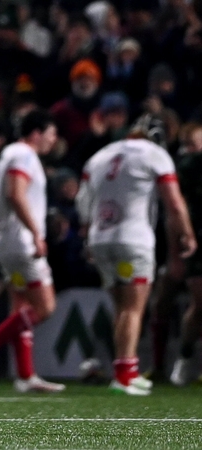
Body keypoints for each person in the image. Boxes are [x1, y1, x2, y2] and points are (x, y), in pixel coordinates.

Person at [76, 114, 196, 395]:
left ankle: (127, 368)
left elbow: (83, 201)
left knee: (121, 307)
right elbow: (174, 203)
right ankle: (123, 377)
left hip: (100, 238)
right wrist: (187, 234)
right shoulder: (154, 154)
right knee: (133, 308)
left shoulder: (100, 155)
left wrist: (88, 235)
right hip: (132, 238)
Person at [0, 109, 66, 393]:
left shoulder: (9, 154)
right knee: (45, 307)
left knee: (20, 306)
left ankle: (25, 375)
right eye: (51, 133)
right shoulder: (24, 155)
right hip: (21, 241)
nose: (53, 139)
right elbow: (15, 194)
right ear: (36, 133)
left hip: (6, 239)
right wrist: (35, 233)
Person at [167, 124, 202, 386]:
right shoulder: (190, 167)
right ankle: (185, 356)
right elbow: (175, 209)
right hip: (197, 240)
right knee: (200, 303)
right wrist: (175, 254)